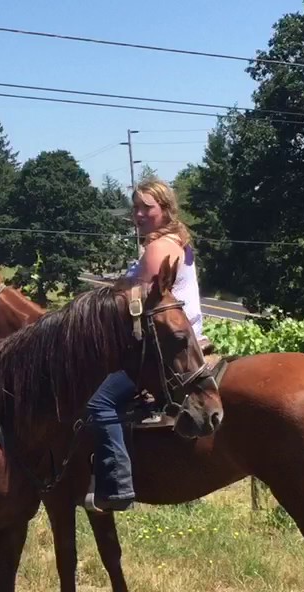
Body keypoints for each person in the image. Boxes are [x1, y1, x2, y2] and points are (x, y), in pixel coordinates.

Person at [83, 177, 207, 513]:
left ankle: (117, 486)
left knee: (99, 402)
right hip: (177, 336)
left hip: (163, 344)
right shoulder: (175, 240)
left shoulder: (158, 247)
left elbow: (137, 302)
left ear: (165, 209)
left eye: (146, 207)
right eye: (135, 207)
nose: (138, 214)